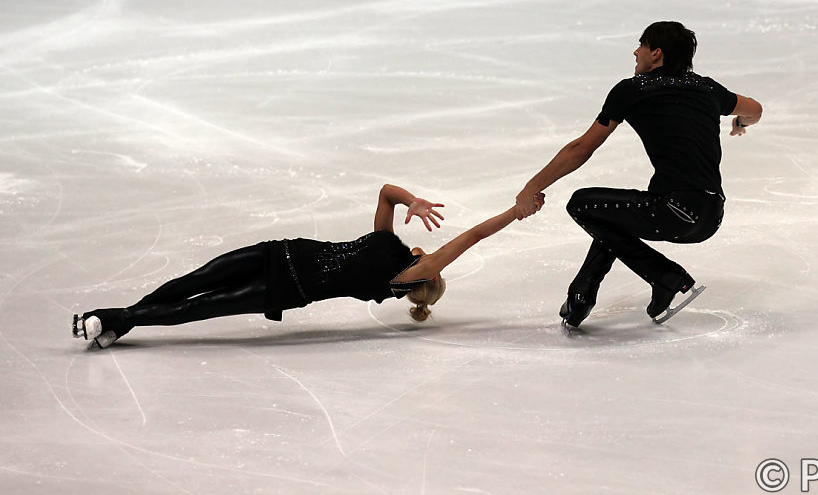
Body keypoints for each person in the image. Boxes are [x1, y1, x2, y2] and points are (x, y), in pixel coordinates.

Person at [72, 184, 543, 348]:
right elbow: (385, 192)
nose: (433, 259)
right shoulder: (389, 244)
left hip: (285, 290)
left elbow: (472, 236)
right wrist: (413, 199)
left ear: (428, 277)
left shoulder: (404, 281)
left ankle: (111, 319)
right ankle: (120, 322)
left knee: (198, 308)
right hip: (279, 253)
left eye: (436, 268)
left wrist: (514, 214)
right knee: (192, 281)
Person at [514, 21, 762, 329]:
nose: (635, 52)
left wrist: (531, 187)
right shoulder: (708, 88)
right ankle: (581, 297)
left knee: (582, 204)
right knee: (614, 219)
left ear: (656, 53)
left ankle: (666, 277)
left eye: (641, 46)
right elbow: (756, 109)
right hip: (711, 215)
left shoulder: (632, 90)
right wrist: (740, 122)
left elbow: (581, 148)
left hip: (674, 210)